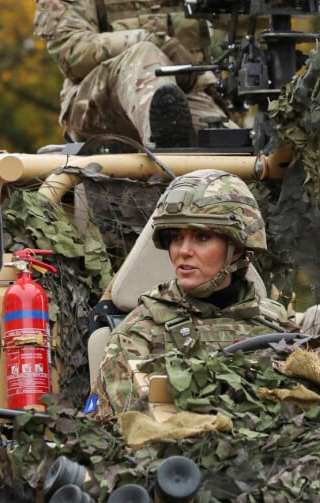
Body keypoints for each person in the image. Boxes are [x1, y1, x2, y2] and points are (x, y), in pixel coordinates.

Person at [93, 169, 299, 416]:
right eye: (176, 238)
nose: (183, 251)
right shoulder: (139, 331)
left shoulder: (275, 323)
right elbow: (125, 426)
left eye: (202, 237)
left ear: (236, 249)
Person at [33, 0, 231, 148]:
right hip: (98, 103)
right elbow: (71, 51)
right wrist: (153, 40)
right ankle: (167, 149)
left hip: (188, 95)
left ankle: (172, 137)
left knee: (234, 149)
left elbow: (246, 17)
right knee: (145, 52)